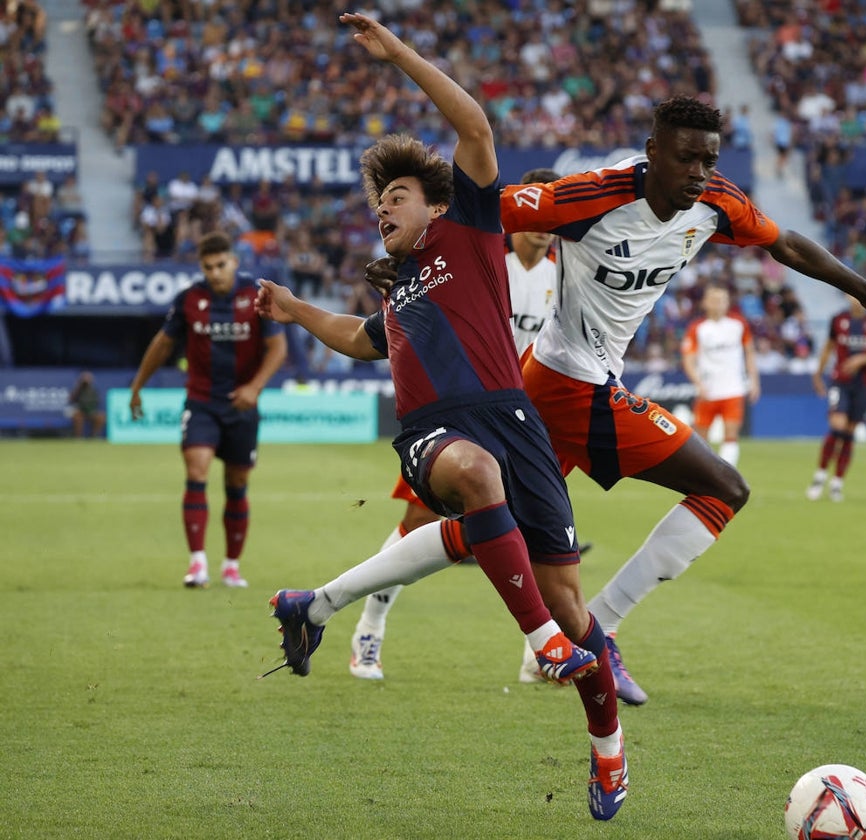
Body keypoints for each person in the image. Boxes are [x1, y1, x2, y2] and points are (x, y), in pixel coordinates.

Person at [350, 95, 866, 709]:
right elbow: (479, 207)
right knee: (719, 488)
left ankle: (329, 605)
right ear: (653, 153)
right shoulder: (589, 198)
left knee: (482, 531)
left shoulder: (719, 203)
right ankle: (380, 628)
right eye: (685, 158)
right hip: (532, 389)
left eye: (708, 159)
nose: (699, 171)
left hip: (548, 384)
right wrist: (405, 253)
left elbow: (786, 244)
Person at [253, 15, 627, 821]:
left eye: (396, 195)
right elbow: (360, 341)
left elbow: (475, 125)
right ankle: (540, 646)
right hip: (435, 431)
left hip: (513, 419)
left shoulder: (473, 226)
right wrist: (292, 308)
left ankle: (607, 750)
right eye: (377, 201)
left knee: (574, 607)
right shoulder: (395, 287)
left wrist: (398, 56)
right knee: (474, 483)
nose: (382, 208)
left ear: (433, 204)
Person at [347, 166, 570, 684]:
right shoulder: (485, 254)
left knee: (538, 541)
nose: (541, 225)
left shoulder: (561, 276)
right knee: (417, 526)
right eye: (532, 213)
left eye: (551, 215)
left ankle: (537, 657)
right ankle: (370, 626)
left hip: (520, 420)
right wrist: (388, 271)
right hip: (455, 414)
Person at [129, 231, 287, 588]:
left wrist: (254, 387)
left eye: (221, 264)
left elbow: (277, 348)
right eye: (208, 267)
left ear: (233, 261)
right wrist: (137, 388)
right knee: (196, 470)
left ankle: (231, 565)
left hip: (241, 404)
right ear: (201, 267)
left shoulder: (255, 296)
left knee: (237, 482)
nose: (215, 272)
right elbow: (162, 344)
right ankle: (197, 563)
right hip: (201, 402)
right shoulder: (188, 299)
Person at [806, 295, 866, 502]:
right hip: (840, 381)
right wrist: (818, 373)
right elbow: (828, 346)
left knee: (850, 434)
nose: (856, 299)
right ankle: (820, 474)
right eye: (852, 294)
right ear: (847, 296)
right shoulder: (838, 319)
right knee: (837, 426)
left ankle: (837, 483)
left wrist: (861, 359)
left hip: (863, 384)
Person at [680, 282, 760, 467]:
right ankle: (703, 473)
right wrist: (698, 383)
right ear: (705, 303)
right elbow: (688, 359)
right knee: (700, 437)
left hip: (733, 388)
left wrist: (754, 381)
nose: (718, 304)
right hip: (708, 390)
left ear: (728, 302)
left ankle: (726, 473)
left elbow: (749, 352)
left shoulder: (738, 324)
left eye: (722, 300)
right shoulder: (697, 328)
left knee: (731, 434)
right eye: (714, 300)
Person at [68, 371, 106, 438]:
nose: (85, 382)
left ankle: (94, 436)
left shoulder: (93, 390)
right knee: (77, 417)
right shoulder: (78, 390)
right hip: (81, 411)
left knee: (101, 417)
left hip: (91, 412)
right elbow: (71, 400)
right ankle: (78, 437)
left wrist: (92, 411)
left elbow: (97, 402)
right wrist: (79, 387)